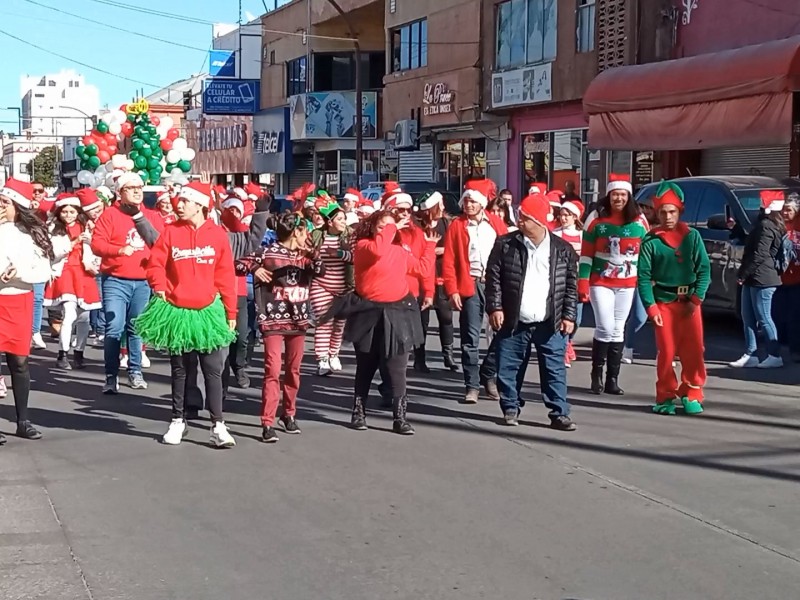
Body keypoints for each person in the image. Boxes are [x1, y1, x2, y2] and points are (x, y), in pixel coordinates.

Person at [135, 182, 238, 448]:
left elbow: (226, 275)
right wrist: (158, 285)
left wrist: (231, 310)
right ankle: (178, 420)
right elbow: (155, 264)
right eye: (179, 201)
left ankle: (218, 425)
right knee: (180, 369)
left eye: (185, 201)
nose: (179, 205)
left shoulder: (217, 236)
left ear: (201, 205)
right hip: (177, 310)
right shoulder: (170, 232)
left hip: (208, 311)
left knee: (213, 369)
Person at [325, 210, 436, 434]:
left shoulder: (399, 251)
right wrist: (392, 226)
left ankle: (400, 416)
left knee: (397, 368)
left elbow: (422, 269)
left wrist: (430, 246)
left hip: (398, 311)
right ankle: (359, 411)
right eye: (381, 226)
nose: (386, 230)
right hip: (368, 311)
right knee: (366, 365)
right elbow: (379, 248)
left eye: (389, 227)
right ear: (372, 227)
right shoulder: (365, 247)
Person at [486, 193, 578, 431]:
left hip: (550, 320)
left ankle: (559, 412)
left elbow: (570, 285)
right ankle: (510, 407)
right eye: (519, 216)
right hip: (515, 319)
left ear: (539, 222)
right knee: (509, 365)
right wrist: (495, 307)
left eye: (525, 218)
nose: (519, 221)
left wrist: (569, 315)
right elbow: (493, 279)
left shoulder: (562, 249)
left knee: (554, 368)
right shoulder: (505, 245)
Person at [235, 212, 324, 443]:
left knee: (293, 370)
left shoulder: (304, 256)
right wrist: (255, 269)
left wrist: (312, 252)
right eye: (304, 231)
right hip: (273, 319)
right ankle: (267, 422)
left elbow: (320, 269)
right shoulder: (268, 251)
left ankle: (289, 413)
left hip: (298, 320)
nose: (307, 235)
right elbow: (239, 264)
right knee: (272, 370)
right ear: (297, 232)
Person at [637, 182, 711, 416]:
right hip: (664, 304)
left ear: (679, 212)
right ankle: (665, 395)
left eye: (672, 212)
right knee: (667, 352)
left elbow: (704, 270)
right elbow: (643, 277)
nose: (668, 217)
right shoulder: (651, 241)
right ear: (656, 213)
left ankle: (692, 392)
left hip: (690, 304)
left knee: (694, 350)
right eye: (663, 212)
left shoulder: (692, 237)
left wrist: (696, 300)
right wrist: (651, 308)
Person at [91, 172, 164, 394]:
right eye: (130, 188)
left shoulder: (153, 216)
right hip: (115, 280)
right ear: (119, 193)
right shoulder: (110, 215)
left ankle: (135, 372)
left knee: (136, 328)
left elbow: (162, 244)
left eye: (139, 187)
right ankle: (111, 377)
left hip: (143, 282)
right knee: (114, 326)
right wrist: (118, 250)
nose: (136, 191)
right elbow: (96, 245)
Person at [578, 176, 647, 395]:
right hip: (601, 282)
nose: (619, 198)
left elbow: (646, 254)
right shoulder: (596, 219)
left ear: (629, 197)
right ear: (609, 196)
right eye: (615, 194)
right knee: (605, 327)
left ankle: (612, 379)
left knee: (618, 329)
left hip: (628, 283)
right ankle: (596, 375)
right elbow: (586, 254)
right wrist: (583, 282)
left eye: (623, 195)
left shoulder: (639, 221)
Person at [0, 178, 56, 442]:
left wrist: (18, 271)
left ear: (17, 206)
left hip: (19, 300)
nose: (0, 205)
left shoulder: (32, 234)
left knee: (19, 362)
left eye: (5, 202)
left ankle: (23, 421)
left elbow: (44, 270)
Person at [443, 179, 508, 404]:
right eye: (466, 200)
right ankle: (471, 385)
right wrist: (452, 290)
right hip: (470, 284)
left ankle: (488, 375)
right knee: (470, 339)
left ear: (482, 203)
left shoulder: (496, 225)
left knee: (501, 333)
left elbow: (507, 256)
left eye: (473, 201)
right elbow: (449, 261)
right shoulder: (457, 226)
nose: (469, 205)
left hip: (495, 284)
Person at [43, 193, 101, 370]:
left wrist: (92, 251)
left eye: (72, 211)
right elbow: (53, 252)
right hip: (65, 272)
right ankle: (63, 353)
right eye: (65, 212)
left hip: (84, 273)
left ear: (78, 212)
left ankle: (79, 352)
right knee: (69, 313)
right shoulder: (54, 228)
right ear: (59, 212)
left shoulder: (86, 227)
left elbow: (95, 250)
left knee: (84, 317)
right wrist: (74, 241)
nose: (68, 215)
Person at [729, 190, 786, 369]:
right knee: (748, 316)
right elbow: (751, 243)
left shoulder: (767, 226)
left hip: (763, 278)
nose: (759, 205)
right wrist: (736, 229)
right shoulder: (762, 224)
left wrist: (743, 274)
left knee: (763, 317)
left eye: (762, 202)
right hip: (753, 277)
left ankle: (774, 355)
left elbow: (759, 254)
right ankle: (750, 353)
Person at [415, 191, 458, 372]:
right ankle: (419, 358)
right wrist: (432, 250)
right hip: (422, 277)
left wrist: (438, 250)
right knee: (422, 320)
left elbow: (453, 247)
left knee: (446, 317)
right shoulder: (417, 226)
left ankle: (448, 356)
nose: (443, 207)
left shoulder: (446, 223)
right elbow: (416, 250)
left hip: (441, 274)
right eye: (439, 204)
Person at [309, 200, 353, 376]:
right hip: (321, 285)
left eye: (345, 219)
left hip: (343, 287)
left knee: (339, 324)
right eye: (340, 219)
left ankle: (334, 353)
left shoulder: (350, 235)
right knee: (324, 322)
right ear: (329, 222)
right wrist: (314, 256)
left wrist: (341, 253)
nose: (344, 222)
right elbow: (307, 255)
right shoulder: (317, 235)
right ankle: (322, 360)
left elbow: (357, 257)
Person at [622, 194, 657, 364]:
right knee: (639, 316)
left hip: (664, 279)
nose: (646, 210)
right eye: (643, 207)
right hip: (641, 276)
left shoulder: (666, 227)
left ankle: (666, 352)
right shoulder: (637, 223)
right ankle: (627, 346)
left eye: (650, 207)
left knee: (666, 317)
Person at [553, 199, 584, 367]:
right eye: (562, 215)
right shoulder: (556, 234)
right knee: (562, 317)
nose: (563, 218)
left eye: (567, 215)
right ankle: (563, 349)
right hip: (561, 281)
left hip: (578, 282)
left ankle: (569, 341)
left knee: (577, 319)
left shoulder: (582, 235)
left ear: (575, 217)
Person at [773, 193, 800, 362]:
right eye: (783, 209)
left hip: (797, 278)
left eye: (788, 210)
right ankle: (780, 346)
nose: (785, 213)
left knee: (794, 316)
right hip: (779, 278)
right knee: (778, 314)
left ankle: (796, 350)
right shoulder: (779, 225)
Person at [29, 181, 49, 350]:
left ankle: (35, 332)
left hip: (40, 260)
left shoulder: (49, 210)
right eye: (33, 191)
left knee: (37, 298)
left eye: (39, 191)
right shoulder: (19, 208)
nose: (36, 194)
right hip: (21, 259)